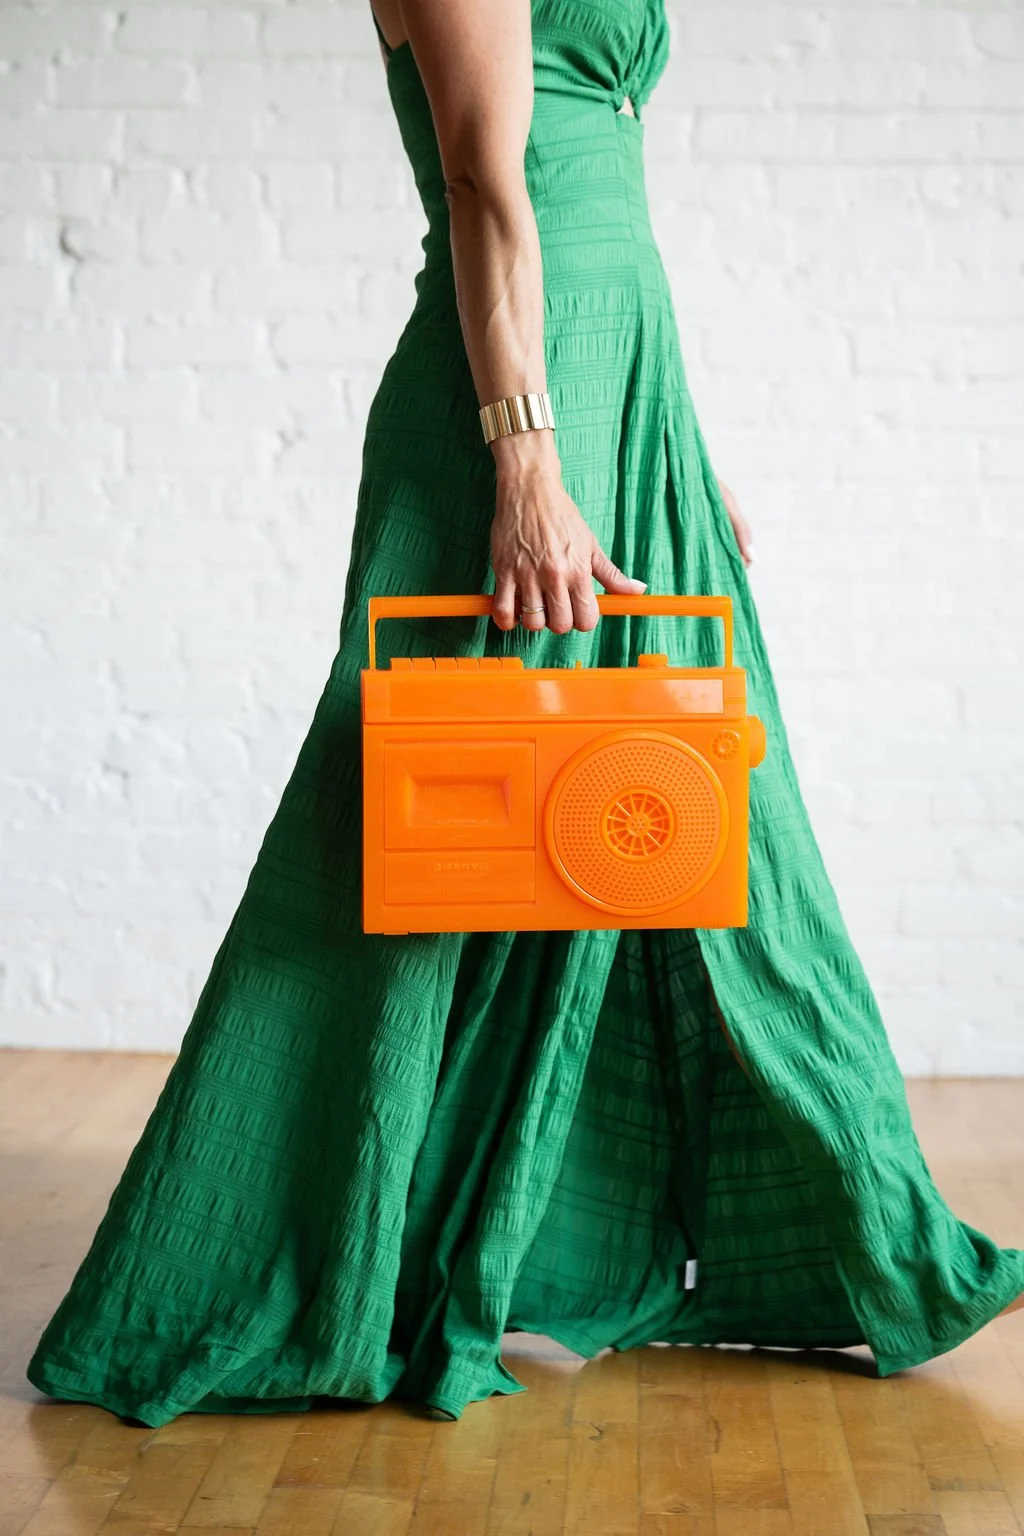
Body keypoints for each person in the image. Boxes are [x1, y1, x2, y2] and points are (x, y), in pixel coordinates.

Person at [25, 0, 1023, 1429]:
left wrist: (671, 431)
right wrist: (527, 465)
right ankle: (281, 1260)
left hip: (620, 388)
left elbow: (606, 203)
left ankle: (866, 1240)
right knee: (423, 854)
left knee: (702, 824)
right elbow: (490, 181)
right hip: (512, 411)